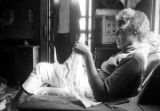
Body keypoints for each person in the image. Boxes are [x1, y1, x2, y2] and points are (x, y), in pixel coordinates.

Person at [13, 8, 151, 107]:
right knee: (41, 82)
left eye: (120, 31)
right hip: (86, 83)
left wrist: (87, 55)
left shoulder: (134, 59)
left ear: (134, 31)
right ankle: (22, 101)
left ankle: (14, 105)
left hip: (88, 90)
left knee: (41, 69)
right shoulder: (130, 53)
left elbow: (101, 94)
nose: (115, 34)